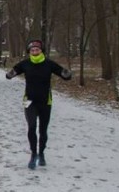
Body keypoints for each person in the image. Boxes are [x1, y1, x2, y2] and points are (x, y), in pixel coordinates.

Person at [5, 39, 72, 170]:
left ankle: (41, 153)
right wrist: (9, 74)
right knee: (31, 127)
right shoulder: (25, 64)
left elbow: (63, 74)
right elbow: (11, 73)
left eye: (37, 50)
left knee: (43, 130)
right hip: (29, 100)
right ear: (29, 52)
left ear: (41, 51)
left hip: (45, 101)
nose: (35, 52)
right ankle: (33, 154)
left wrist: (67, 74)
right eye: (32, 50)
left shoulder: (49, 64)